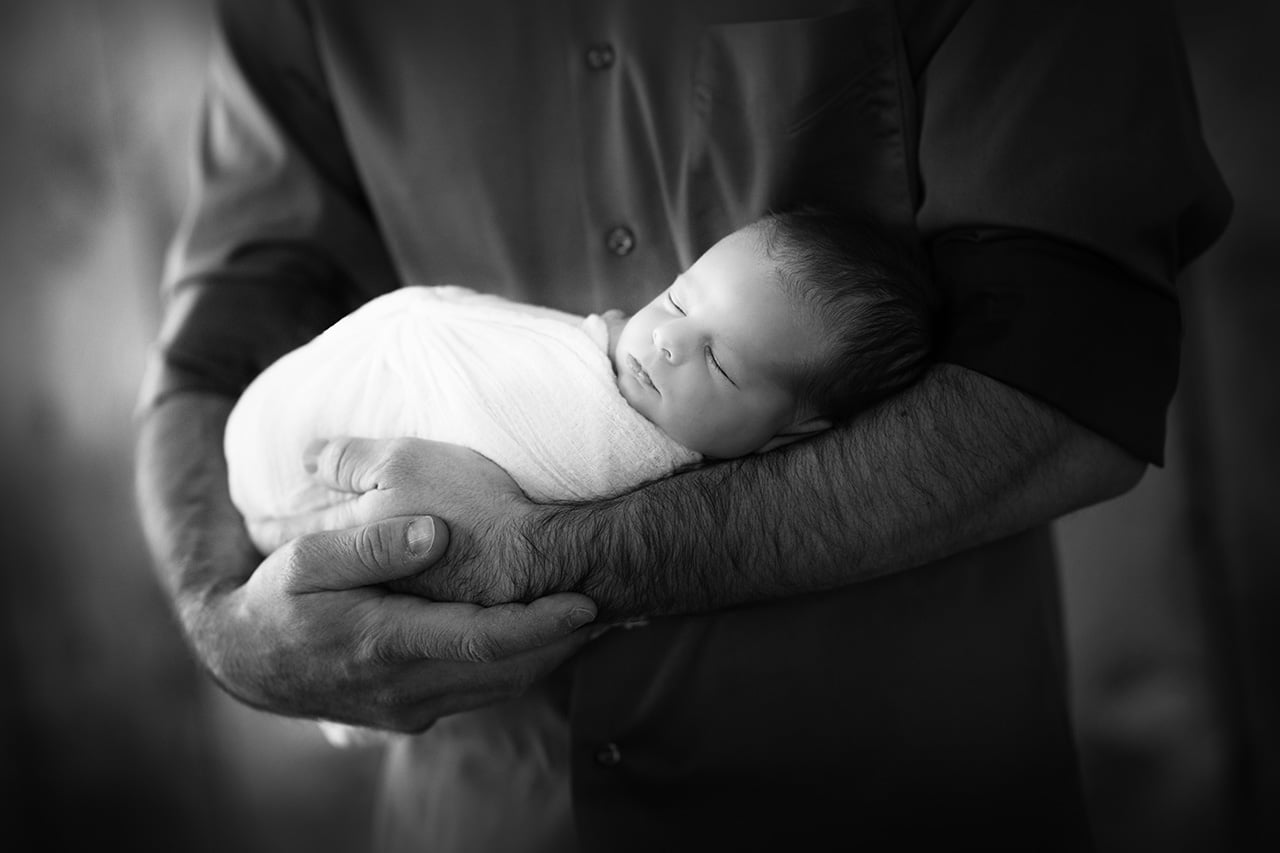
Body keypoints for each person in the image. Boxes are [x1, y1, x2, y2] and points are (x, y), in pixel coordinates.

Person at [134, 1, 1231, 850]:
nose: (662, 342)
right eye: (674, 315)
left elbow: (1070, 380)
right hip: (493, 812)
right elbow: (221, 342)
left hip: (884, 796)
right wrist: (223, 623)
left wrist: (543, 558)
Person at [225, 208, 934, 851]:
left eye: (719, 361)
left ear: (791, 437)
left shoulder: (636, 457)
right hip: (469, 793)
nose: (668, 343)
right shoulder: (582, 360)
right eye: (680, 298)